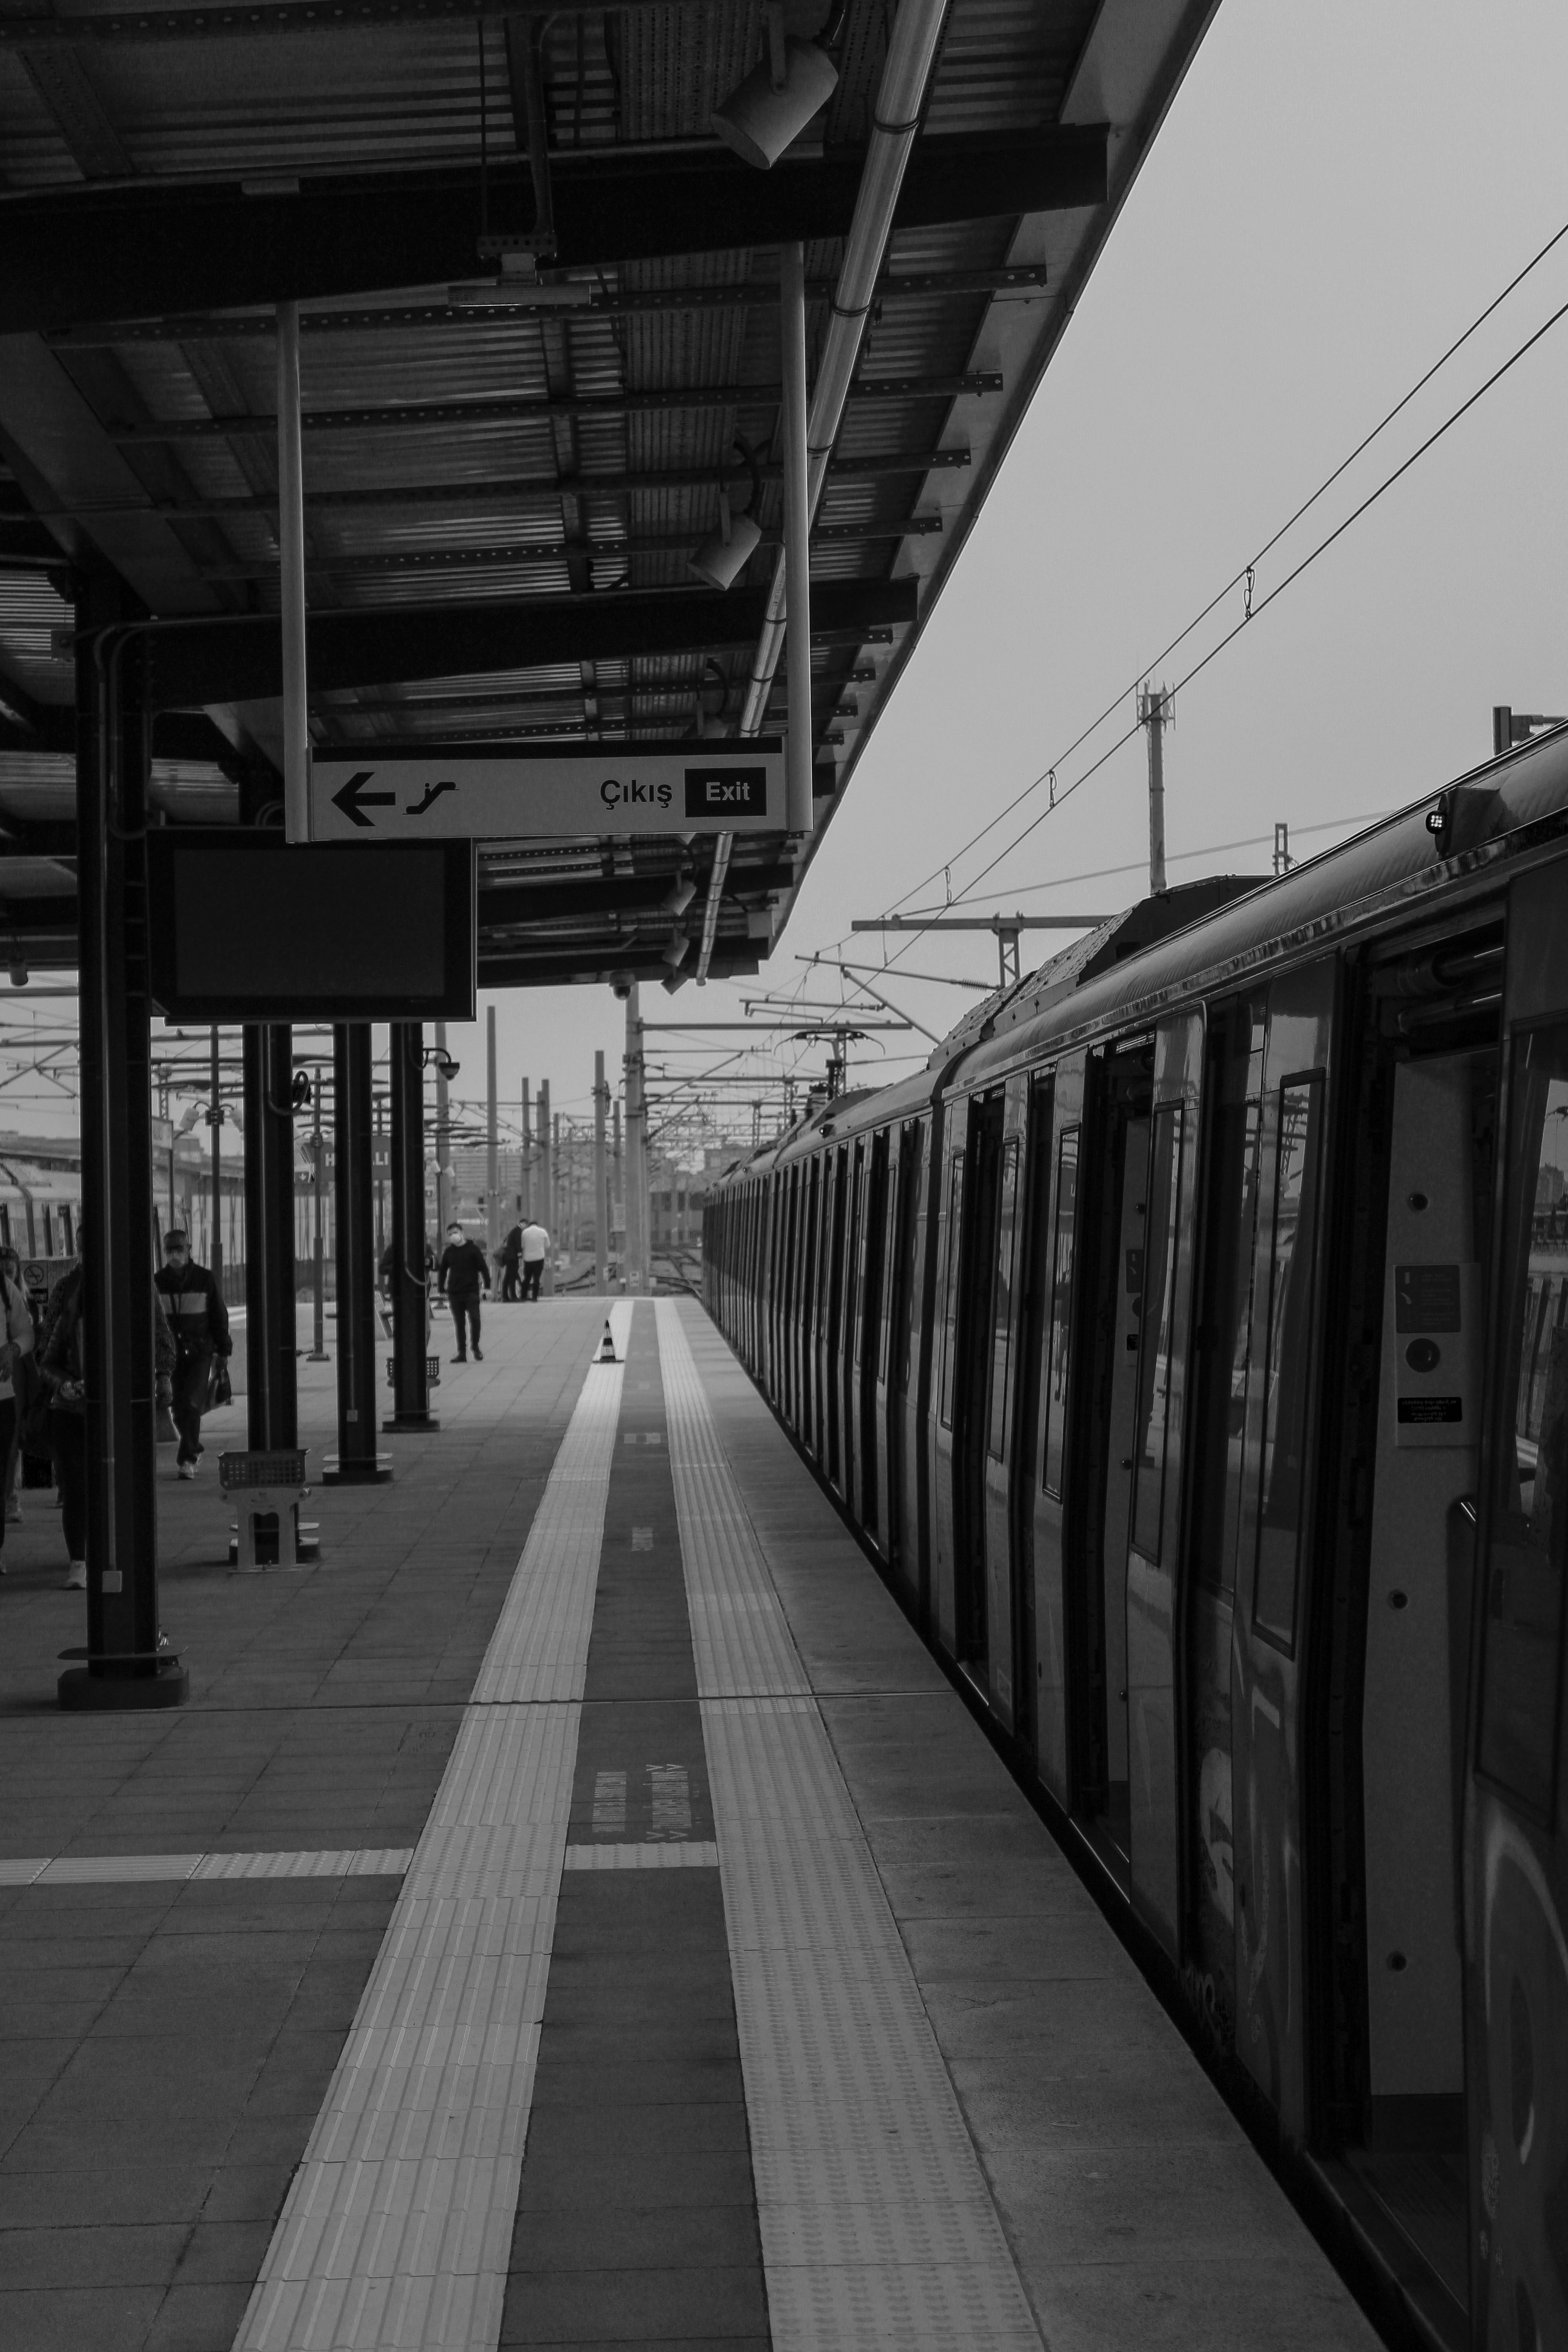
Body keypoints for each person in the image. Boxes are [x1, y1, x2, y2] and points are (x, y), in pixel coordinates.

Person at [154, 1227, 232, 1479]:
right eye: (170, 1249)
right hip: (172, 1353)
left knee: (191, 1403)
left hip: (201, 1351)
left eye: (179, 1248)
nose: (174, 1254)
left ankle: (187, 1459)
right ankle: (194, 1447)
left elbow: (219, 1316)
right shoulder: (157, 1282)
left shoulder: (204, 1279)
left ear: (189, 1250)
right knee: (177, 1407)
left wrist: (223, 1351)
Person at [0, 1246, 34, 1570]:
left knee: (3, 1467)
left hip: (4, 1395)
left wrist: (13, 1348)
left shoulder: (5, 1288)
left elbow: (27, 1333)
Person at [437, 1221, 490, 1361]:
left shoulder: (473, 1249)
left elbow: (483, 1268)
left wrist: (488, 1287)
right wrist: (442, 1289)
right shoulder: (449, 1252)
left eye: (455, 1232)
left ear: (462, 1233)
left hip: (471, 1291)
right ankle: (461, 1352)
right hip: (454, 1292)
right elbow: (443, 1271)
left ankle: (476, 1347)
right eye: (451, 1234)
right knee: (459, 1323)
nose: (454, 1236)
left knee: (475, 1319)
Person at [518, 1217, 550, 1302]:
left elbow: (522, 1246)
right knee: (537, 1278)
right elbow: (548, 1245)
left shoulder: (525, 1232)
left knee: (527, 1278)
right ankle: (535, 1297)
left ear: (530, 1225)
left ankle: (523, 1297)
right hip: (539, 1258)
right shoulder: (543, 1231)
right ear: (537, 1225)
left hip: (528, 1259)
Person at [498, 1221, 523, 1303]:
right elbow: (518, 1244)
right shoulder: (518, 1231)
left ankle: (505, 1297)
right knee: (512, 1277)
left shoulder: (513, 1231)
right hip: (513, 1258)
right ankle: (513, 1297)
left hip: (509, 1257)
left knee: (508, 1277)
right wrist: (520, 1255)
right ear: (523, 1224)